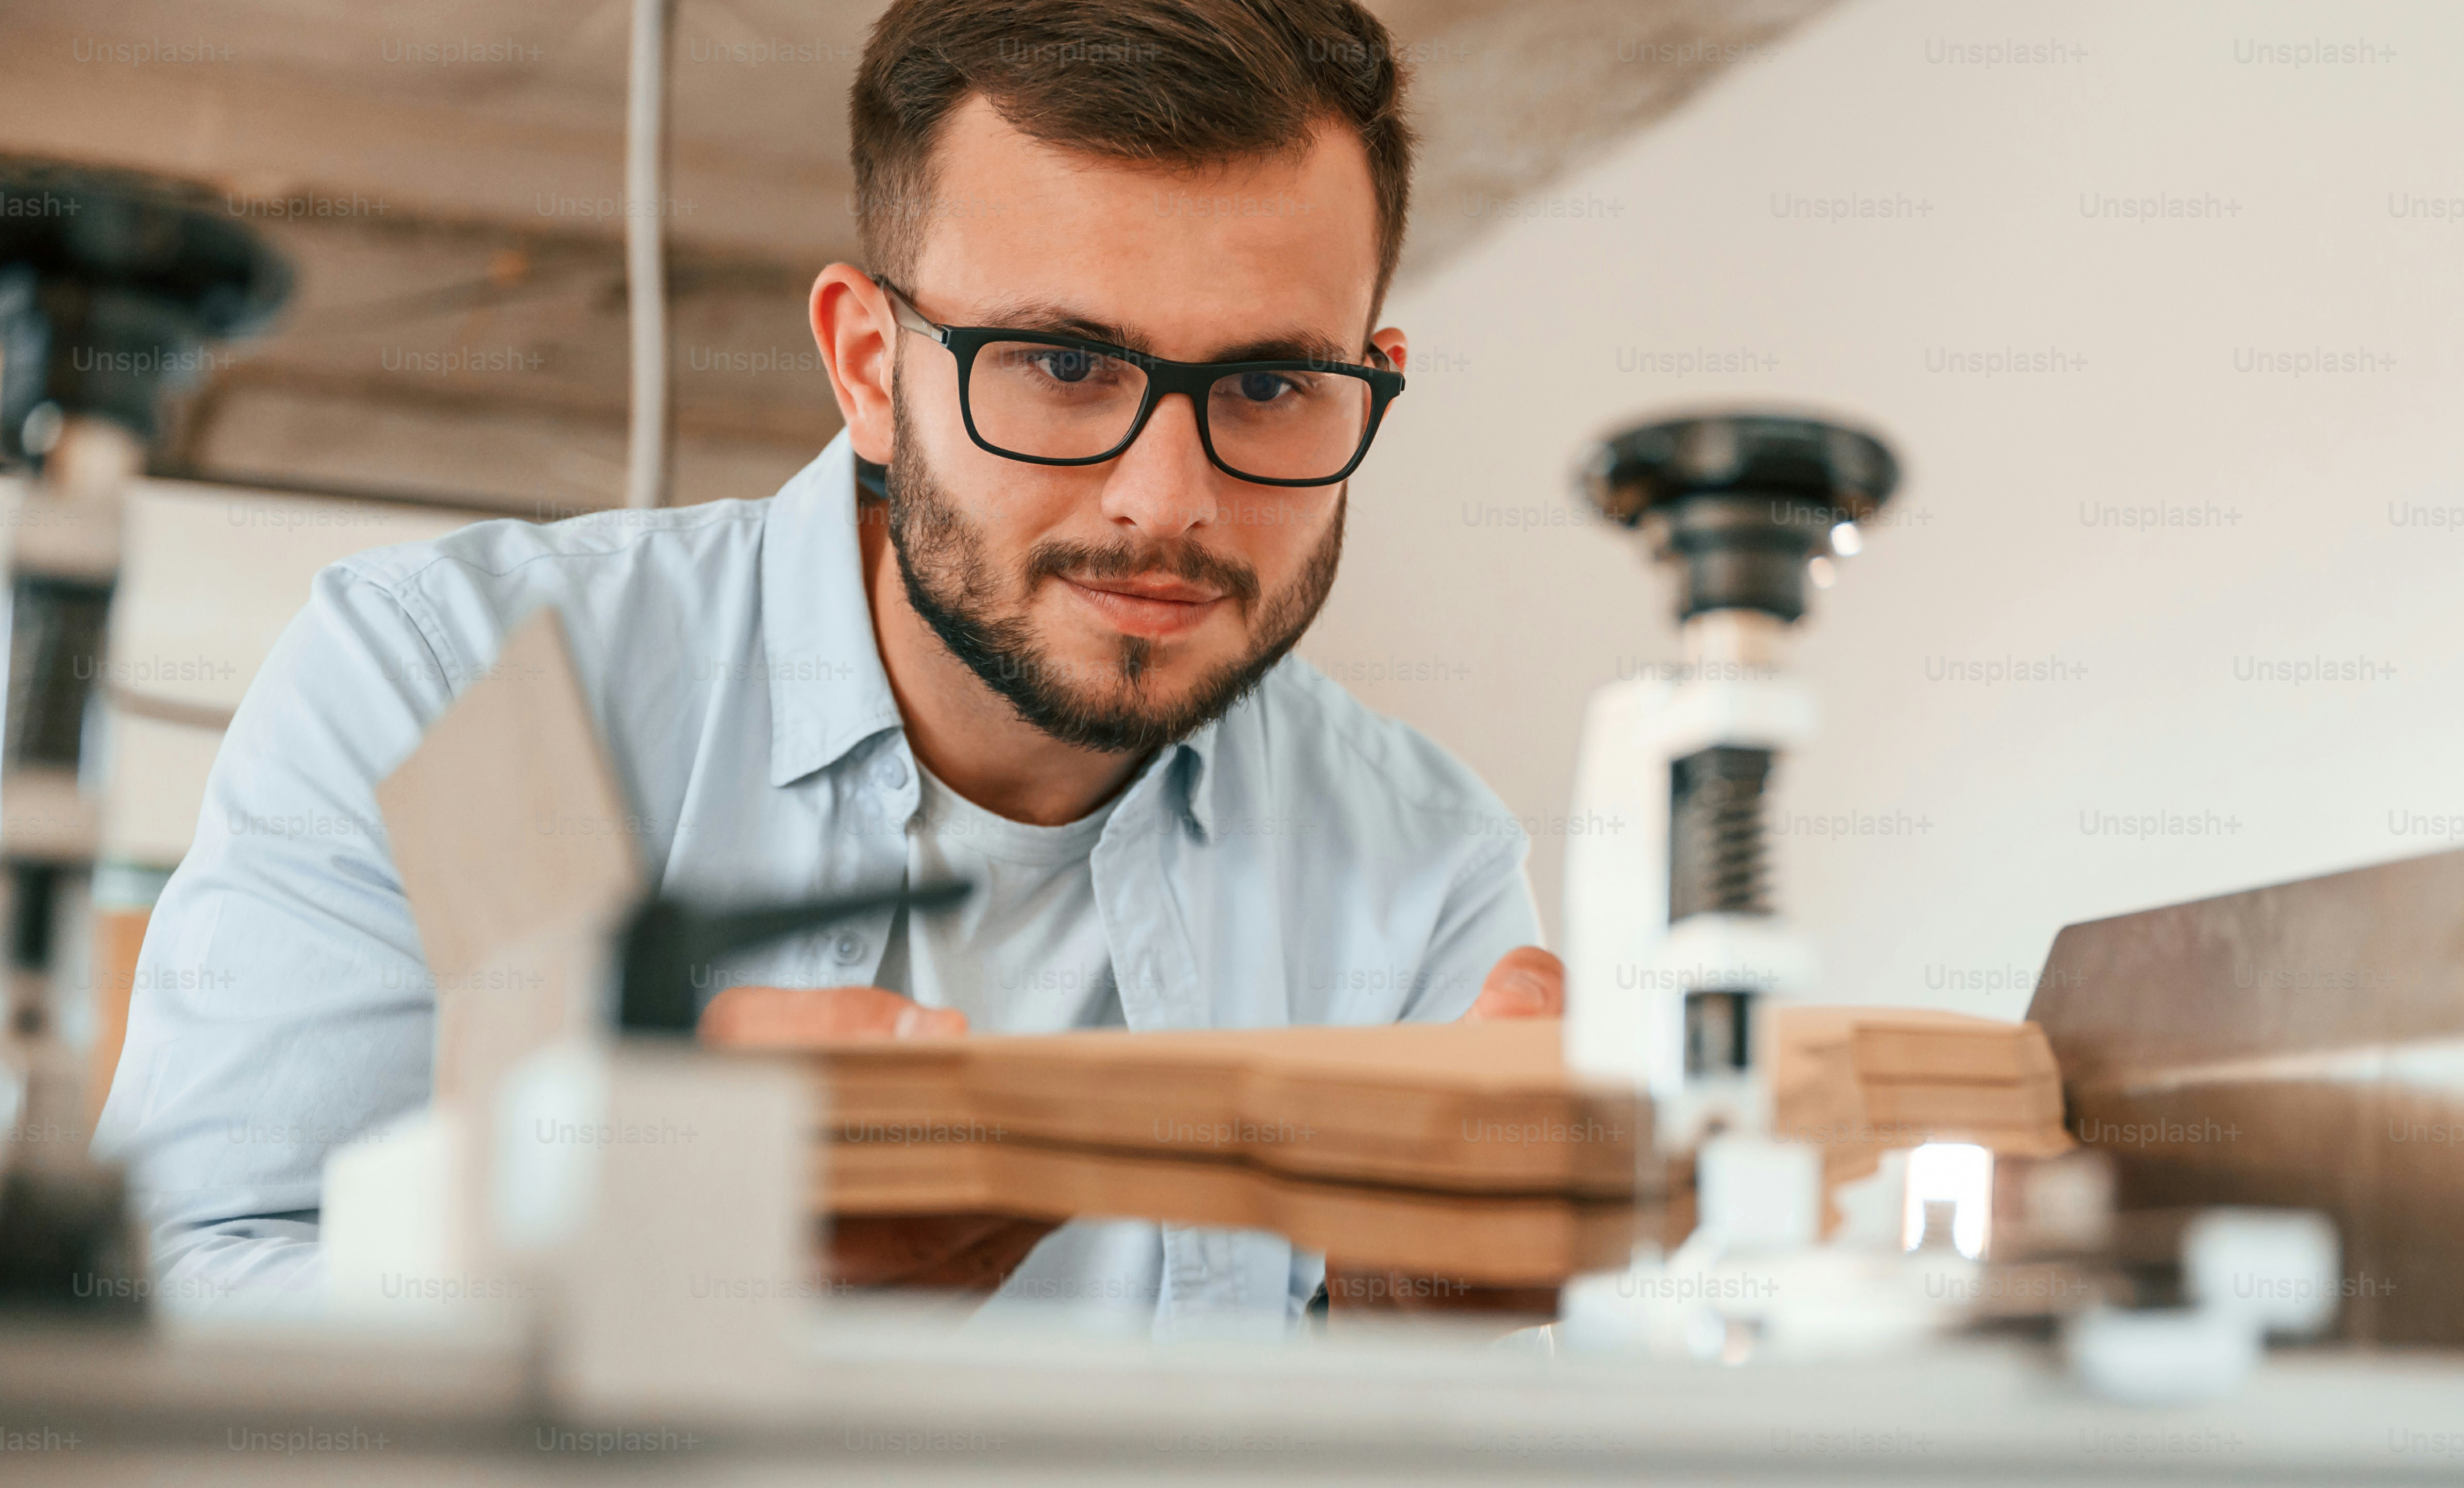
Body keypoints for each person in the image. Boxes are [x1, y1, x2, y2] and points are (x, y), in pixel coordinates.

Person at [95, 0, 1565, 1327]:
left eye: (1267, 385)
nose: (1165, 497)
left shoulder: (1425, 865)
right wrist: (632, 1240)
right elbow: (158, 1303)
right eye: (1063, 366)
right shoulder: (467, 693)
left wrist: (1411, 1321)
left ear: (1369, 378)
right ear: (869, 366)